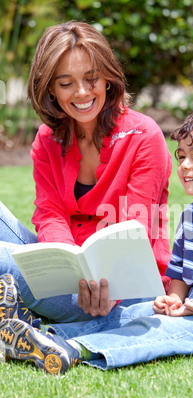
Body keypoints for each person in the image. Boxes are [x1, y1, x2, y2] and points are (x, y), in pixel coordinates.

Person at [0, 110, 193, 375]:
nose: (184, 165)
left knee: (160, 331)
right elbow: (180, 273)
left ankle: (75, 348)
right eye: (182, 155)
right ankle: (39, 337)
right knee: (129, 316)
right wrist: (174, 298)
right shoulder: (190, 217)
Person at [0, 21, 172, 323]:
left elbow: (136, 231)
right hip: (66, 277)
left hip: (122, 289)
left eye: (91, 78)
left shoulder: (144, 136)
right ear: (50, 88)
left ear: (107, 78)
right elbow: (50, 213)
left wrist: (101, 287)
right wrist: (65, 266)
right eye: (66, 83)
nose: (81, 93)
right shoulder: (47, 139)